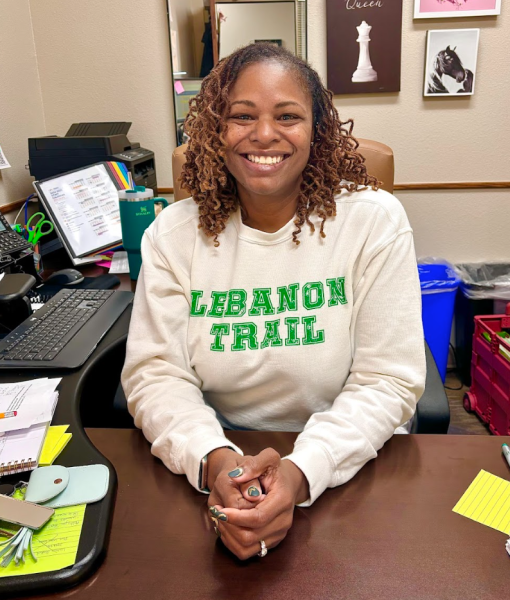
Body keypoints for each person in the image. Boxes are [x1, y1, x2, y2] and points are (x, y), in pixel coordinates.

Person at [121, 43, 426, 561]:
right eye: (242, 116)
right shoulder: (172, 234)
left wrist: (301, 470)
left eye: (288, 116)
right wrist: (218, 463)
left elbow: (387, 378)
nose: (264, 134)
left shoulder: (373, 221)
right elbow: (156, 375)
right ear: (217, 130)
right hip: (221, 461)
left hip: (348, 465)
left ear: (317, 131)